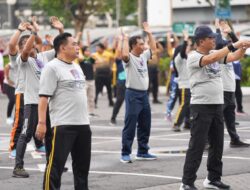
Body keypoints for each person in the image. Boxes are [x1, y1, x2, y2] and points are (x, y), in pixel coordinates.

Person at [180, 25, 250, 190]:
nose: (213, 40)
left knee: (217, 145)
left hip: (217, 106)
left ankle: (213, 179)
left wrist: (242, 47)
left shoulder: (214, 53)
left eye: (213, 38)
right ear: (201, 41)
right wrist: (234, 44)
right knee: (196, 146)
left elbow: (234, 57)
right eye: (210, 38)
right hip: (201, 107)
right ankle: (187, 182)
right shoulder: (193, 56)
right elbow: (210, 60)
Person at [36, 32, 91, 190]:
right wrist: (41, 123)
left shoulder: (76, 66)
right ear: (62, 47)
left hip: (83, 124)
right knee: (55, 168)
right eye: (74, 44)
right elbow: (43, 97)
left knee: (82, 169)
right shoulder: (51, 67)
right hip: (62, 125)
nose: (77, 46)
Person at [12, 16, 63, 178]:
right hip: (32, 104)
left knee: (50, 134)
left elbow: (60, 48)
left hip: (47, 104)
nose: (28, 44)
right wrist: (29, 32)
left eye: (30, 41)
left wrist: (60, 30)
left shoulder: (43, 57)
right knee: (26, 134)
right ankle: (18, 167)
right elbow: (24, 49)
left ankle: (52, 164)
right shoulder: (23, 60)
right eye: (25, 43)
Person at [120, 22, 157, 163]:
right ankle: (125, 153)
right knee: (130, 124)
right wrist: (124, 38)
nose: (143, 46)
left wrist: (149, 32)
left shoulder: (143, 57)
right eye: (140, 44)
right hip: (133, 94)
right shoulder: (129, 58)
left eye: (143, 43)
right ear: (133, 46)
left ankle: (142, 151)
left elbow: (153, 48)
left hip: (143, 95)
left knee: (145, 124)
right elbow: (123, 54)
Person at [215, 20, 249, 148]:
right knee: (215, 117)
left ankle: (234, 139)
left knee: (230, 117)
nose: (229, 45)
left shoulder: (229, 55)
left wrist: (231, 33)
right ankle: (206, 141)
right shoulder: (218, 54)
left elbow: (238, 47)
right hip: (222, 89)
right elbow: (221, 44)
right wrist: (219, 30)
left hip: (230, 88)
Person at [172, 30, 193, 132]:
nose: (189, 49)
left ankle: (187, 123)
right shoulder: (179, 59)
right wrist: (185, 40)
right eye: (187, 48)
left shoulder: (188, 59)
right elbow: (183, 51)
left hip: (191, 85)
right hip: (185, 86)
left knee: (189, 105)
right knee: (184, 104)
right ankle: (176, 123)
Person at [110, 35, 126, 125]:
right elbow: (119, 50)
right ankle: (113, 117)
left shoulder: (130, 59)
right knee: (120, 100)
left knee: (132, 102)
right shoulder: (119, 61)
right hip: (121, 82)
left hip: (131, 82)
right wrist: (120, 40)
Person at [92, 43, 114, 107]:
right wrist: (94, 68)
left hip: (107, 73)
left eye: (98, 48)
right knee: (97, 89)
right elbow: (91, 62)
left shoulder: (108, 54)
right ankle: (94, 103)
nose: (96, 49)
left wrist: (111, 67)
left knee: (109, 89)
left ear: (102, 48)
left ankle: (111, 102)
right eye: (96, 48)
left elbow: (112, 59)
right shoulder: (94, 55)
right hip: (98, 74)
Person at [79, 46, 97, 117]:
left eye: (89, 51)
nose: (88, 52)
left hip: (91, 79)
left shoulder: (91, 59)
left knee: (91, 97)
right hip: (84, 80)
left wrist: (94, 69)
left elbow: (95, 63)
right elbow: (80, 58)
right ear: (83, 52)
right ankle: (83, 112)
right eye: (86, 51)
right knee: (84, 97)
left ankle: (91, 112)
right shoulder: (82, 59)